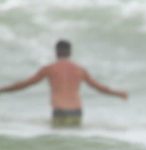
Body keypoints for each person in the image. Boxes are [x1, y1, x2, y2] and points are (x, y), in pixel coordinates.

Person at [0, 39, 128, 127]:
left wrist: (3, 90)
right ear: (70, 52)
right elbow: (100, 88)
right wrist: (118, 93)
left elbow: (24, 84)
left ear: (56, 52)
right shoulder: (80, 70)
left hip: (60, 111)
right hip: (76, 111)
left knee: (60, 145)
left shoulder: (49, 69)